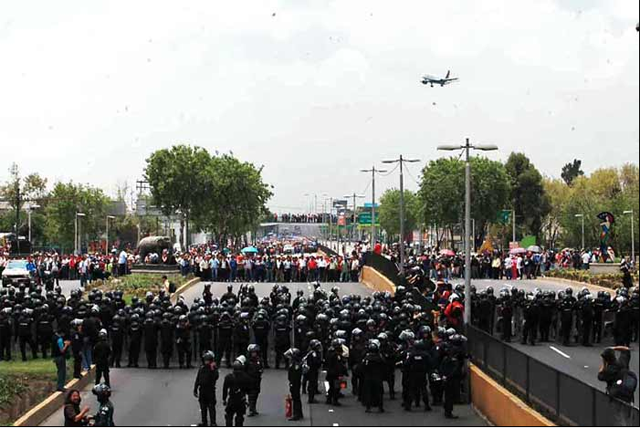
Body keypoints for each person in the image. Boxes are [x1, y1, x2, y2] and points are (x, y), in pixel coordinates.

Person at [194, 351, 219, 427]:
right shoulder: (202, 368)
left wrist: (213, 369)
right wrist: (195, 388)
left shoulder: (213, 368)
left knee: (211, 407)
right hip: (202, 390)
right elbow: (198, 379)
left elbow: (216, 377)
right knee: (203, 407)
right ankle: (204, 421)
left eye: (208, 360)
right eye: (205, 360)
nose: (206, 362)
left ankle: (213, 422)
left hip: (210, 390)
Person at [223, 359, 250, 427]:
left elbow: (225, 389)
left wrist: (224, 399)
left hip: (232, 399)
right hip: (241, 399)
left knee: (229, 415)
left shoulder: (228, 377)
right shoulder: (245, 377)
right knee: (240, 416)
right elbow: (248, 389)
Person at [285, 348, 304, 421]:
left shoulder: (295, 365)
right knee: (297, 398)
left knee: (295, 398)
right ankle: (299, 413)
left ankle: (296, 414)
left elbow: (294, 376)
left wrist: (292, 384)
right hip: (295, 383)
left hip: (295, 383)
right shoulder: (296, 363)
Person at [53, 327, 71, 392]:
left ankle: (60, 386)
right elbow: (62, 350)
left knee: (59, 371)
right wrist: (66, 345)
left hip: (55, 357)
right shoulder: (59, 339)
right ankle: (60, 386)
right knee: (62, 372)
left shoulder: (53, 338)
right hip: (60, 357)